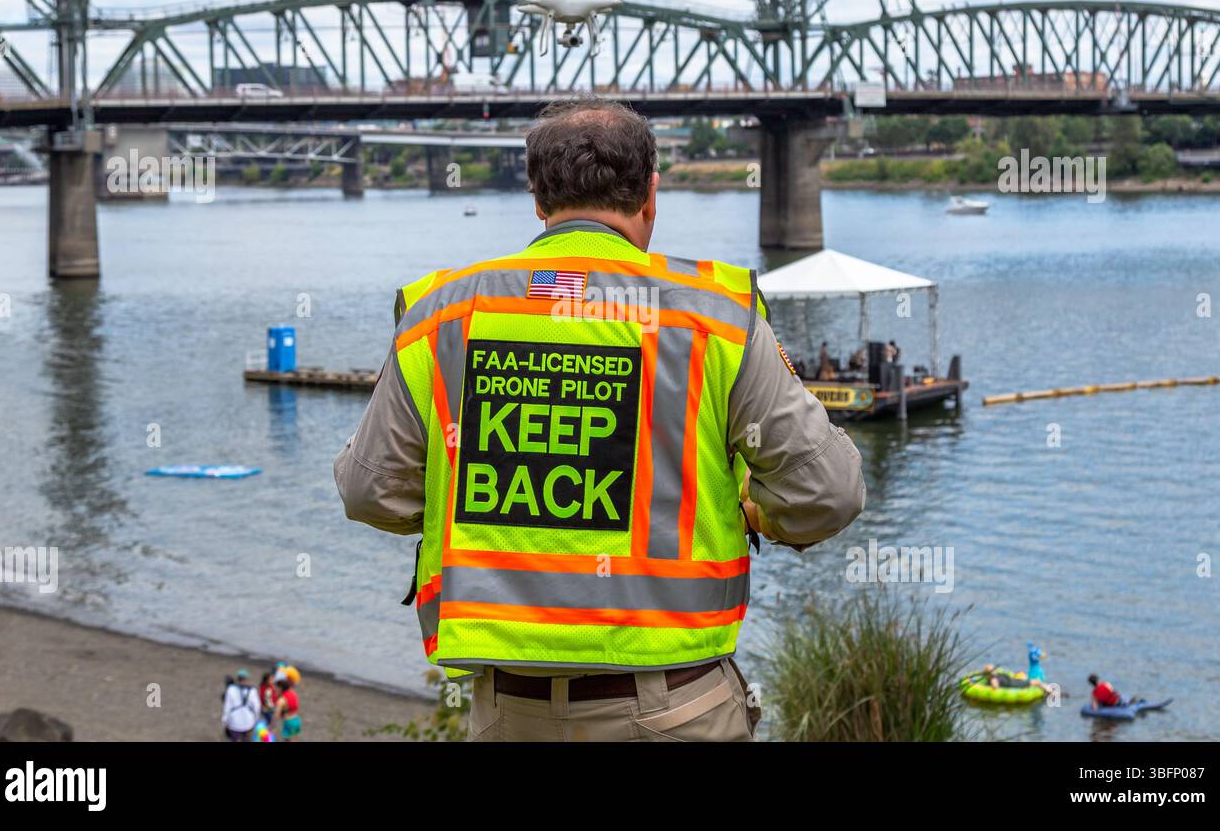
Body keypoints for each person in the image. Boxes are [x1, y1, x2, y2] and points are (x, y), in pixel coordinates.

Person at [336, 95, 866, 742]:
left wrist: (469, 497)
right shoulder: (715, 317)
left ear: (538, 198)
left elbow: (370, 492)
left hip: (509, 713)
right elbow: (829, 494)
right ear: (651, 194)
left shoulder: (440, 313)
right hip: (677, 709)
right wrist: (755, 513)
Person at [220, 668, 261, 742]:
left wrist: (225, 720)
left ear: (238, 679)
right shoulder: (252, 690)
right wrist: (256, 718)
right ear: (247, 679)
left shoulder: (230, 689)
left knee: (234, 739)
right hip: (249, 722)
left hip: (234, 723)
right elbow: (257, 706)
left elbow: (227, 707)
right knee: (247, 739)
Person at [273, 667, 302, 741]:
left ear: (280, 687)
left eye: (276, 687)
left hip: (289, 722)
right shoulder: (293, 693)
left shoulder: (281, 700)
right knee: (295, 739)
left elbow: (276, 715)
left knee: (287, 740)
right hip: (297, 720)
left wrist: (270, 726)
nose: (275, 689)